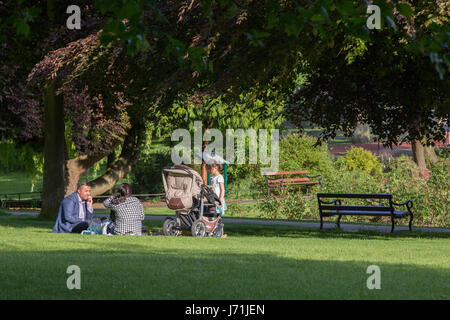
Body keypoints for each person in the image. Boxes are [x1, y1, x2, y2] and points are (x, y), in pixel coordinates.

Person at [206, 161, 227, 238]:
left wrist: (220, 200)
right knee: (212, 215)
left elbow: (222, 190)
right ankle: (211, 231)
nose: (209, 170)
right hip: (212, 200)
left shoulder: (219, 177)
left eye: (210, 169)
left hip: (218, 200)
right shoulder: (212, 178)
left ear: (216, 168)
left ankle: (221, 233)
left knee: (218, 216)